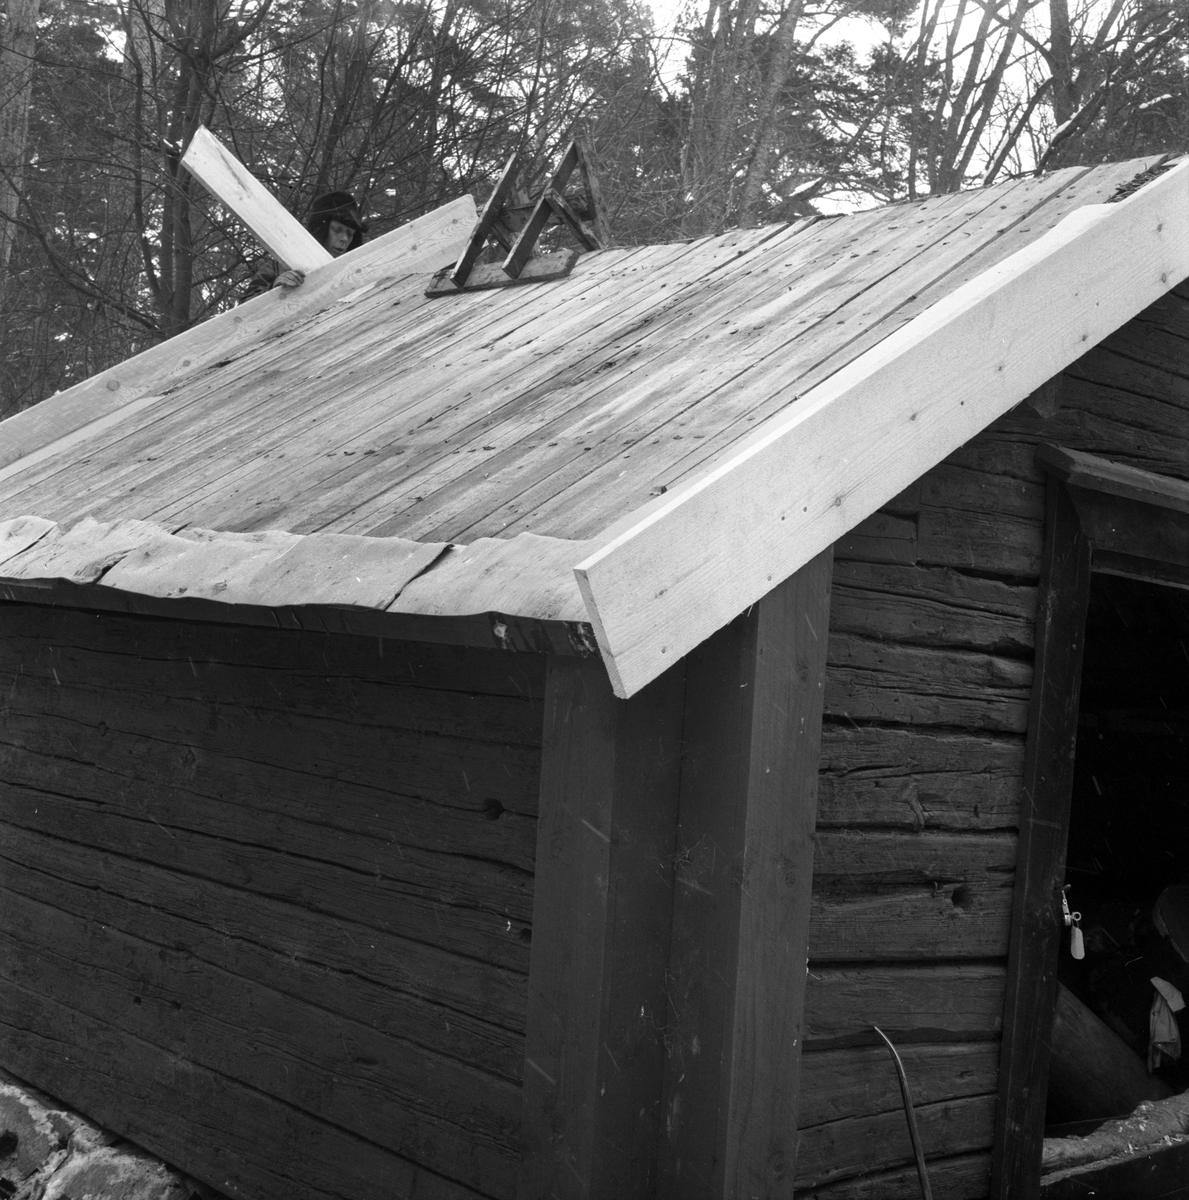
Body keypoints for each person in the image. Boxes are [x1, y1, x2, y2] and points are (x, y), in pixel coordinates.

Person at [243, 190, 368, 299]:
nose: (344, 239)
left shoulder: (358, 275)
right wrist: (275, 289)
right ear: (321, 229)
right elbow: (243, 310)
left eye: (350, 234)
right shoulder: (279, 266)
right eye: (337, 230)